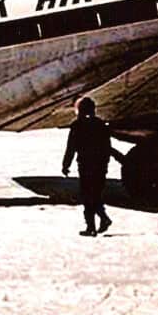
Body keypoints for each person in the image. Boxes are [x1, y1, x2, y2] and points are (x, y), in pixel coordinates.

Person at [61, 96, 113, 236]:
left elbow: (71, 147)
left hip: (86, 165)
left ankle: (93, 225)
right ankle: (101, 220)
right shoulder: (100, 124)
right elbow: (107, 147)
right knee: (95, 194)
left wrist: (66, 165)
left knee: (87, 195)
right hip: (100, 166)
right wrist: (105, 163)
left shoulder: (77, 125)